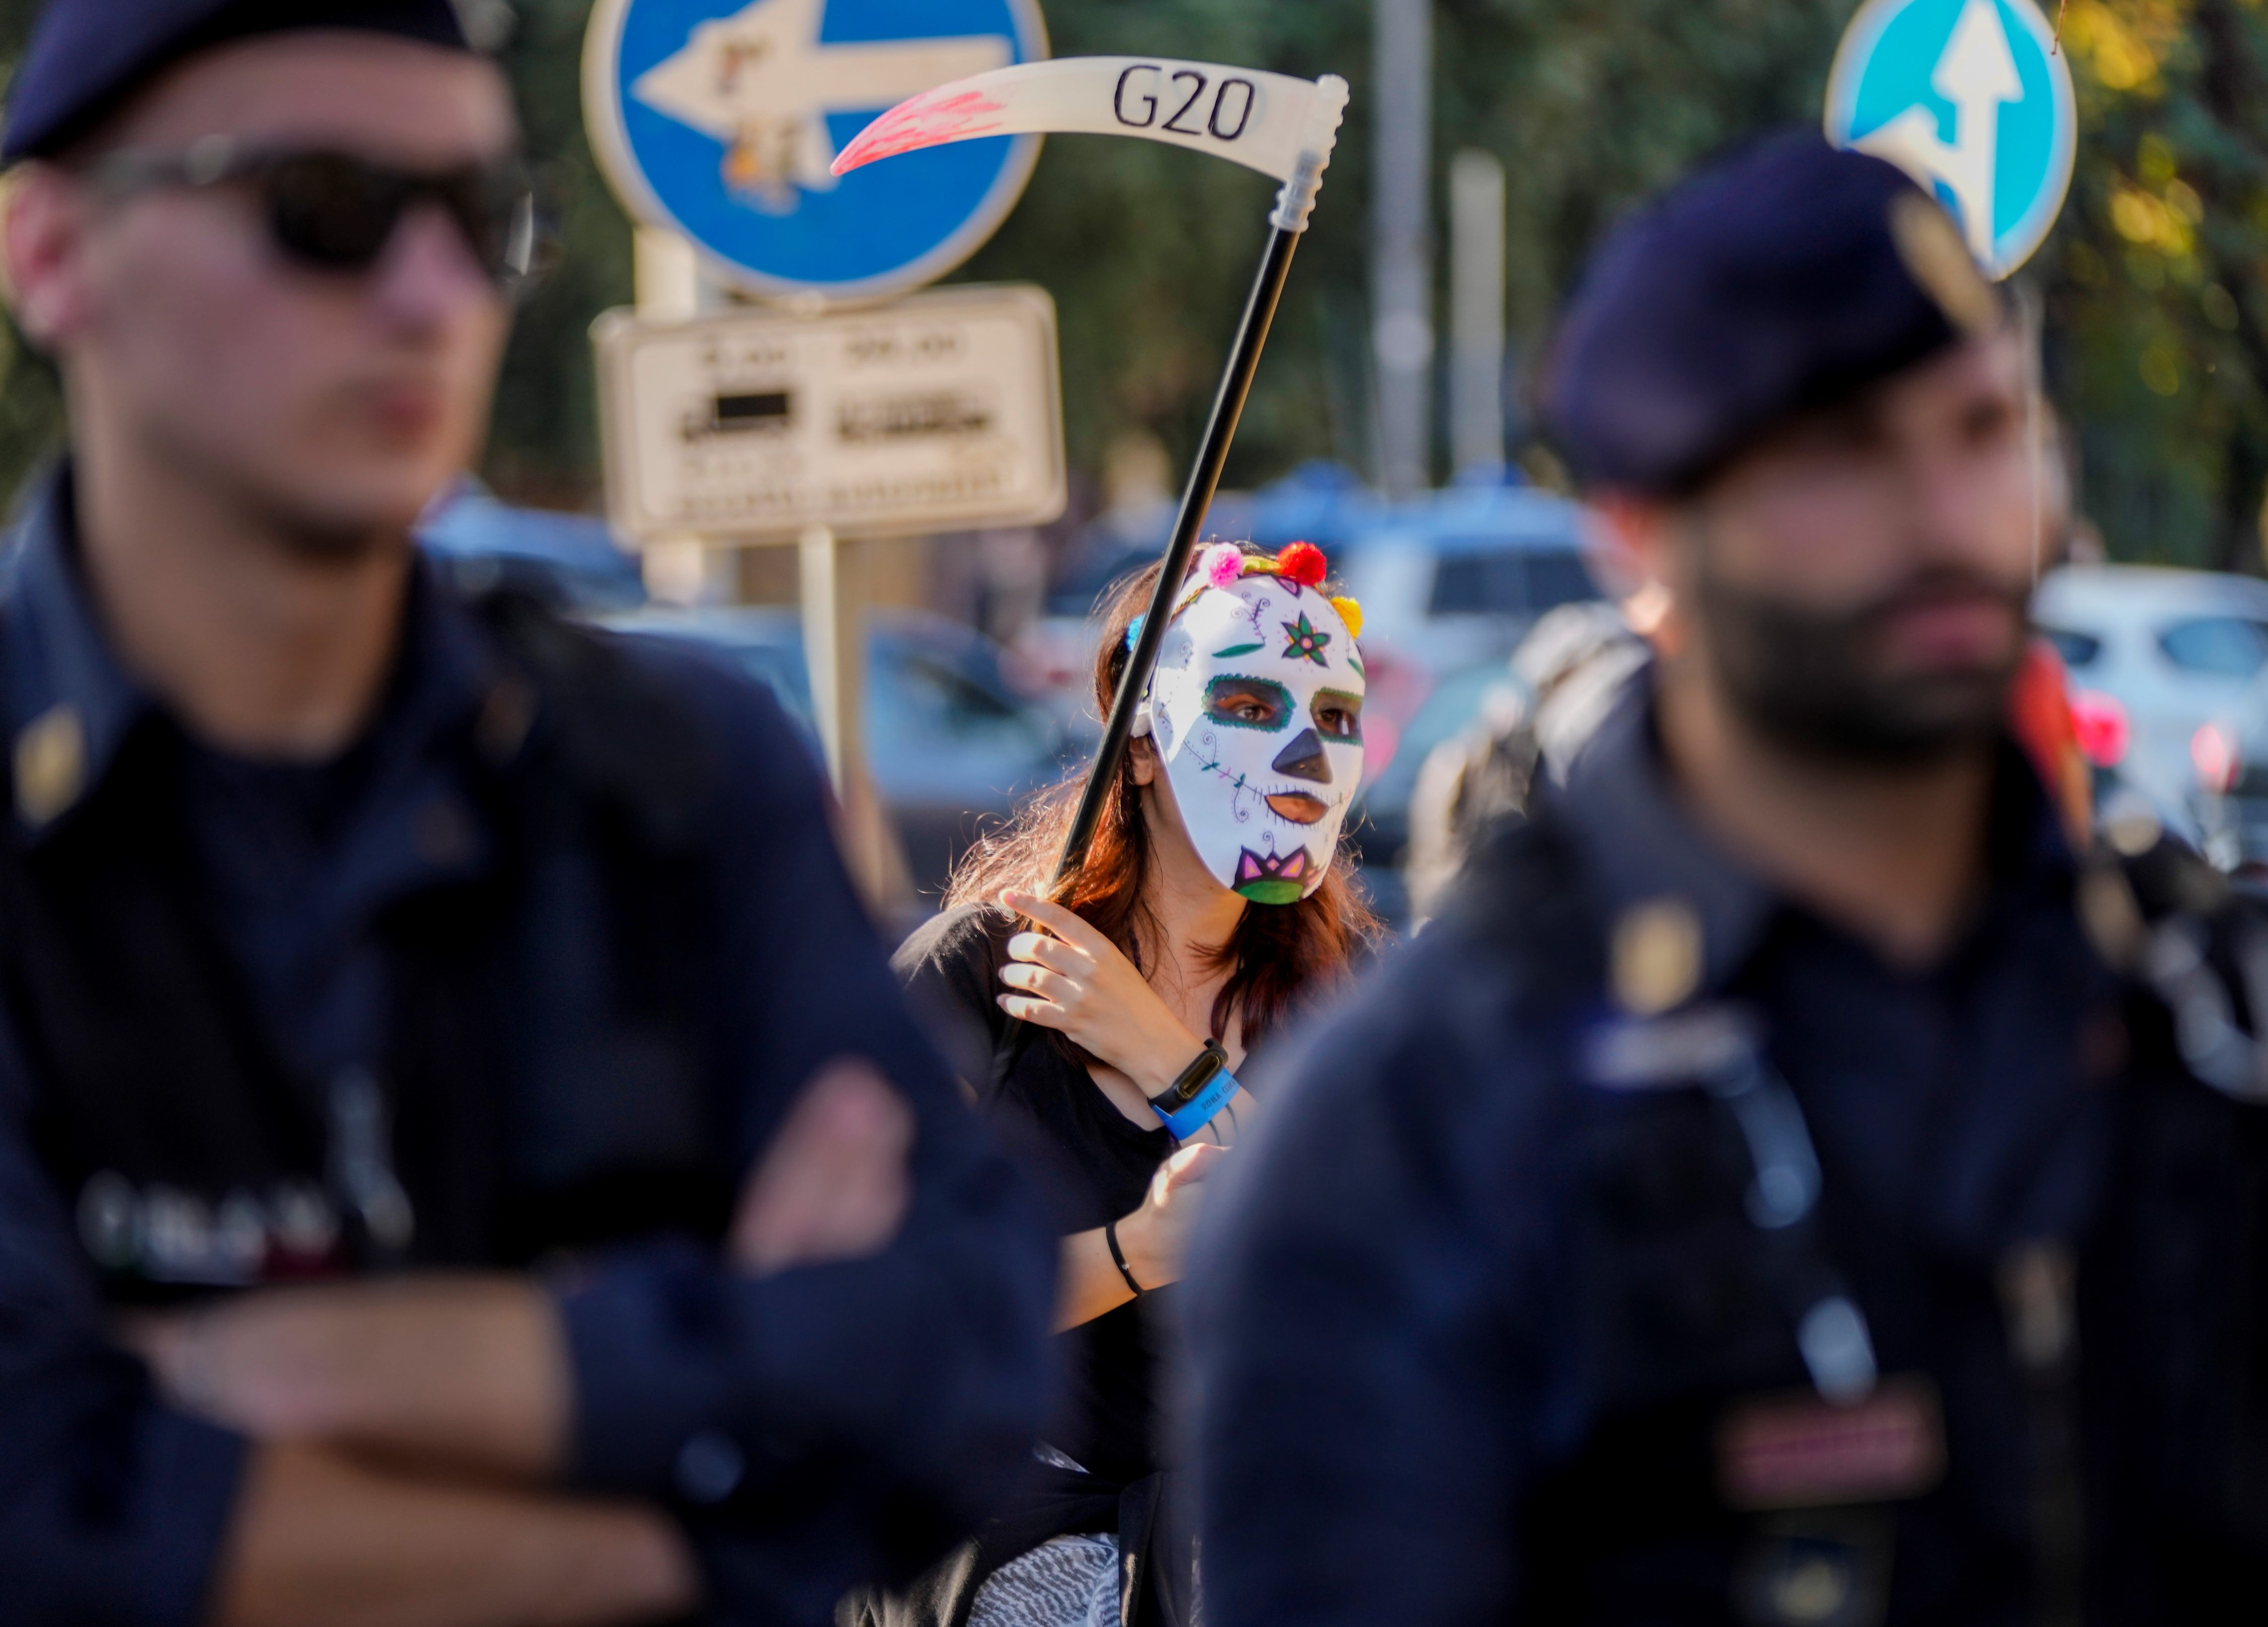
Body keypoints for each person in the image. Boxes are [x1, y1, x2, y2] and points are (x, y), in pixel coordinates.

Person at [0, 4, 1054, 1623]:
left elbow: (957, 1361)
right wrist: (696, 1516)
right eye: (326, 211)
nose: (431, 299)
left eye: (481, 221)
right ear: (52, 250)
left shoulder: (679, 771)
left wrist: (239, 1372)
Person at [1188, 133, 2268, 1623]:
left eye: (1980, 427)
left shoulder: (2195, 1006)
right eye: (1840, 456)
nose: (1945, 515)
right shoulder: (1418, 1124)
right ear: (1638, 536)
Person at [868, 542, 1378, 1627]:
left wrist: (1168, 1059)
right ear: (1140, 735)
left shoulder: (1355, 1002)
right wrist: (1132, 1253)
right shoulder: (984, 977)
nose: (1302, 753)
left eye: (1338, 719)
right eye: (1247, 700)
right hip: (1014, 1551)